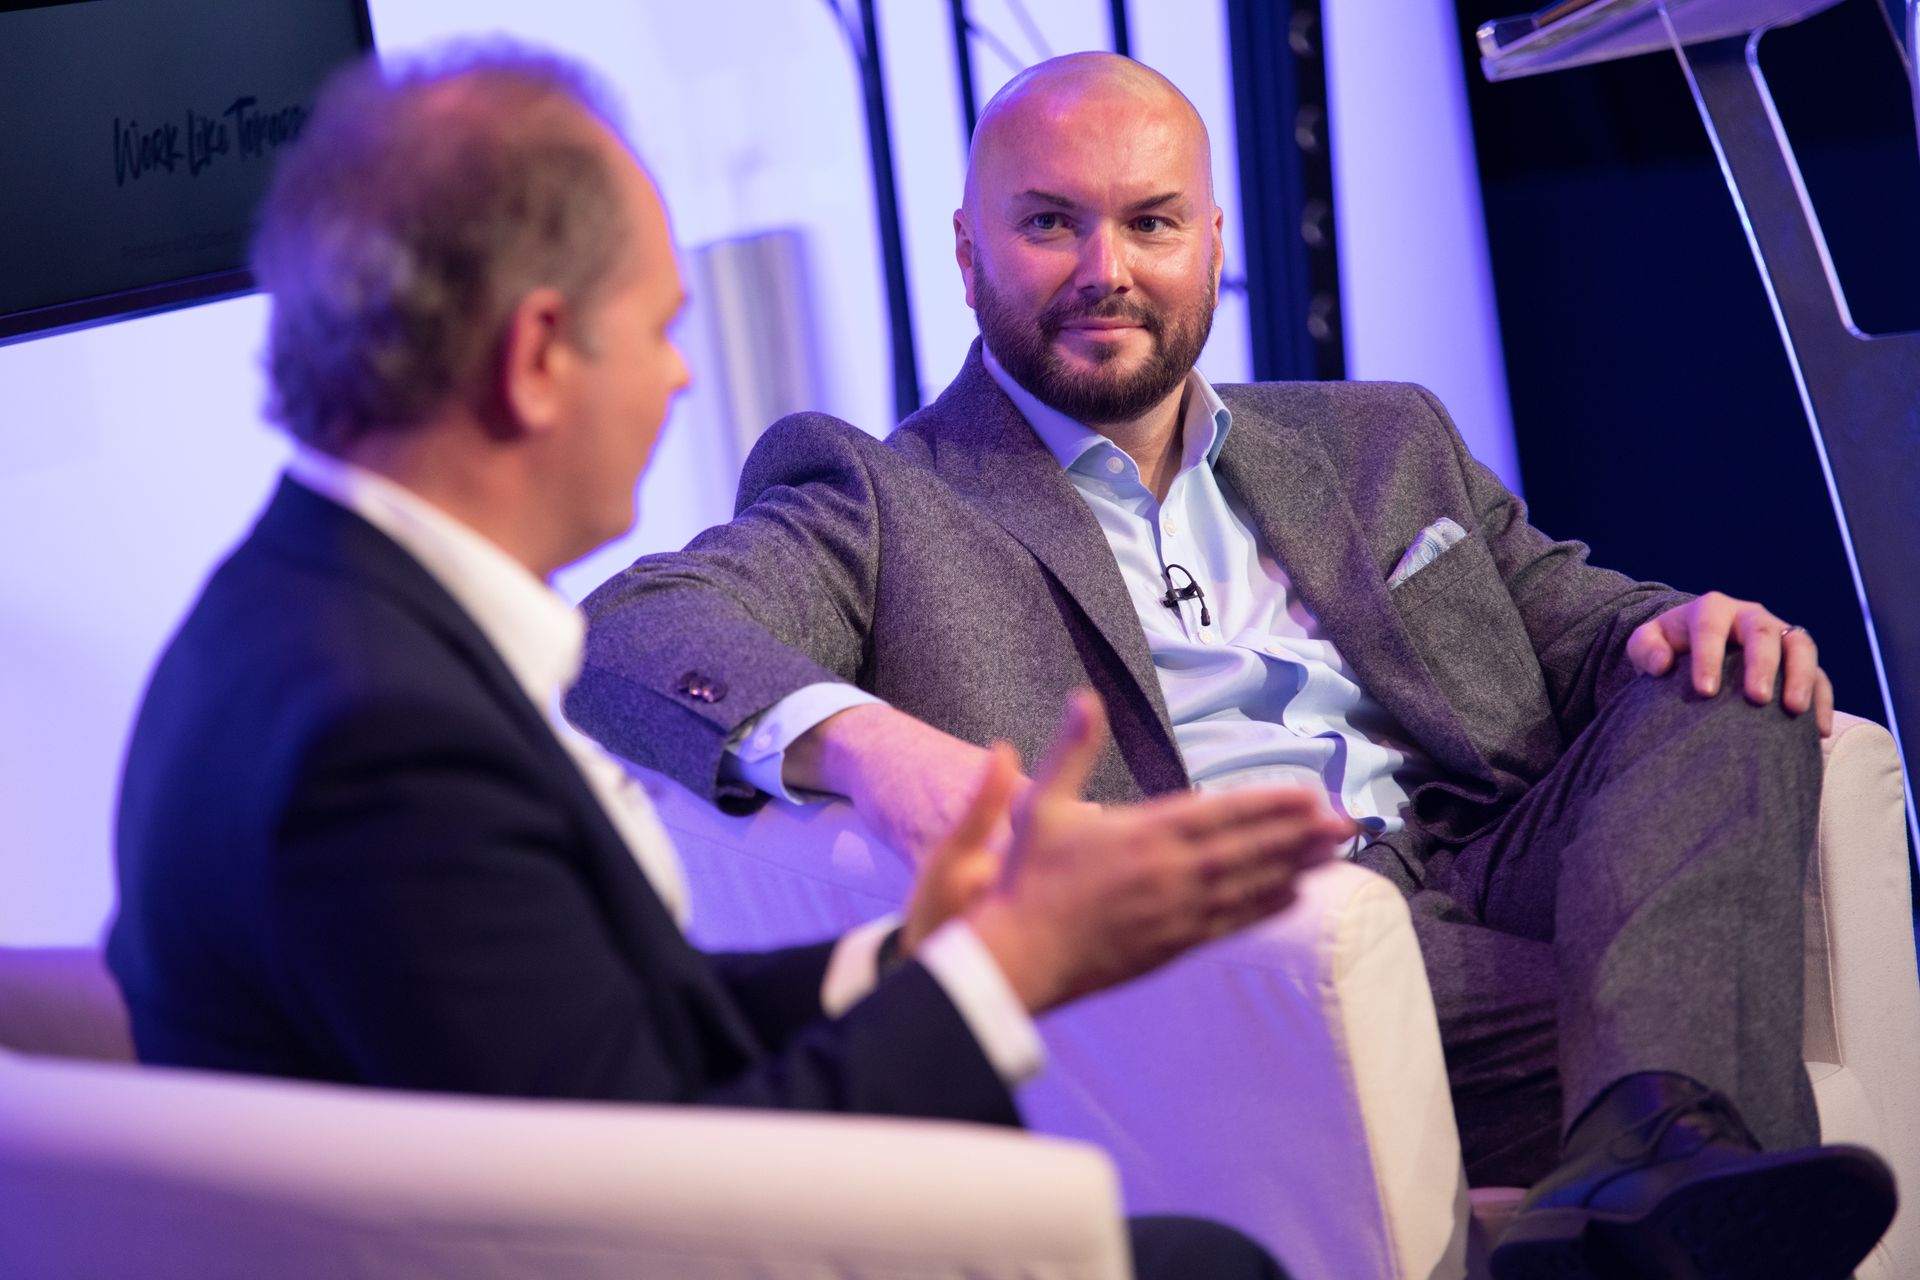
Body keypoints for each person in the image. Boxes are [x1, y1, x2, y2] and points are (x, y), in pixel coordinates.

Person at [567, 52, 1897, 1280]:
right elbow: (634, 627)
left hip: (1487, 851)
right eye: (1049, 224)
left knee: (1725, 676)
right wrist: (884, 751)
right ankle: (1664, 1129)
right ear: (969, 255)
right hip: (1262, 932)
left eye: (1150, 222)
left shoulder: (1383, 440)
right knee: (1701, 1000)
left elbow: (1579, 619)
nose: (1107, 268)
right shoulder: (874, 491)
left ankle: (1635, 1160)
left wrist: (1681, 622)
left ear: (1211, 242)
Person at [102, 47, 1345, 1280]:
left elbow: (612, 1028)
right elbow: (644, 1208)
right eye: (659, 327)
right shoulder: (376, 738)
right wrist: (1011, 965)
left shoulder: (308, 621)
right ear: (539, 356)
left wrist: (921, 949)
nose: (681, 374)